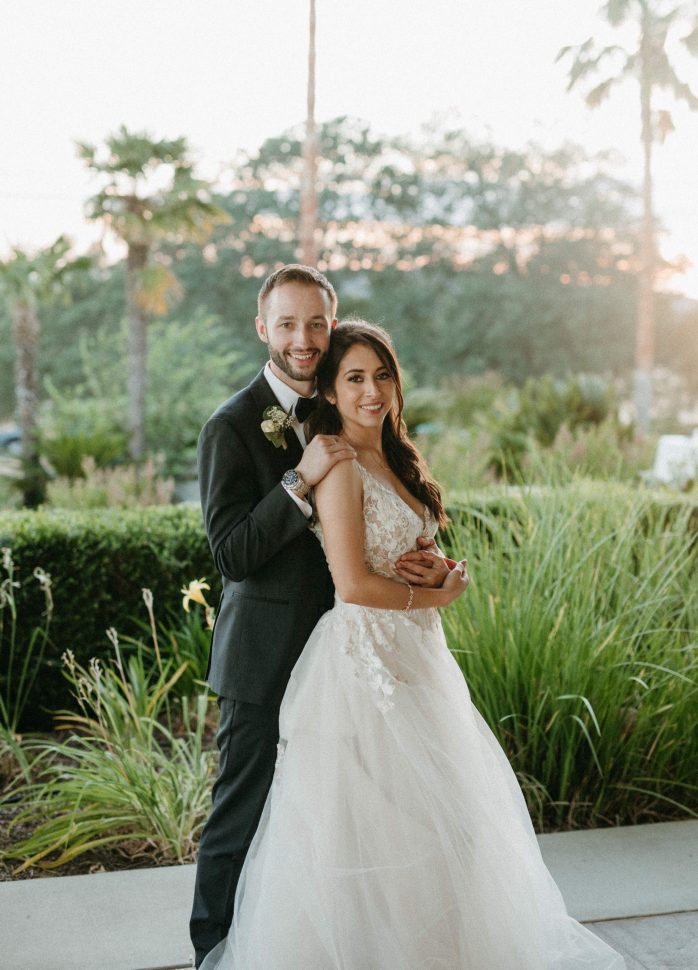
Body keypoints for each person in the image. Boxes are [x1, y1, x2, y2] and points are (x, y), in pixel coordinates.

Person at [199, 319, 625, 969]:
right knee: (390, 829)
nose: (372, 391)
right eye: (354, 379)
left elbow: (410, 548)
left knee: (448, 822)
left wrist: (448, 569)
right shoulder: (338, 465)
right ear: (333, 394)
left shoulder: (395, 457)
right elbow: (353, 584)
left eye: (382, 375)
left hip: (419, 658)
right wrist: (440, 598)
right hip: (364, 662)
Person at [190, 268, 448, 967]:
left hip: (349, 656)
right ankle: (214, 953)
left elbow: (394, 524)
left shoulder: (349, 414)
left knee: (337, 819)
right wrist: (297, 481)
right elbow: (233, 553)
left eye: (315, 324)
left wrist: (445, 570)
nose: (302, 340)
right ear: (262, 328)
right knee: (240, 814)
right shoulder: (232, 425)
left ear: (330, 326)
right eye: (286, 324)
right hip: (267, 654)